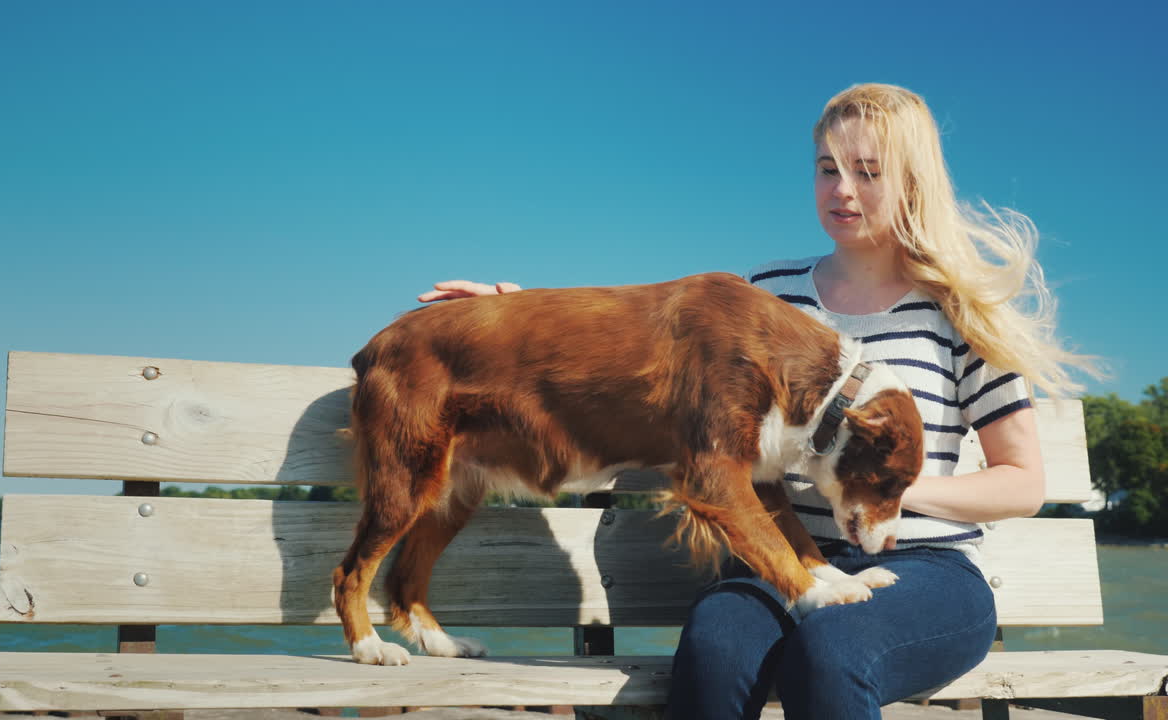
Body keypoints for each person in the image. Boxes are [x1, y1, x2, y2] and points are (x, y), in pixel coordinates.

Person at [417, 83, 1097, 719]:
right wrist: (513, 323)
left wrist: (882, 487)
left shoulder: (962, 310)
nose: (843, 190)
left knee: (834, 650)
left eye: (867, 171)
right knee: (715, 653)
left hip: (929, 571)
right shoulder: (769, 294)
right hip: (782, 560)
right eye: (828, 168)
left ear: (912, 181)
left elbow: (1022, 482)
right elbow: (648, 347)